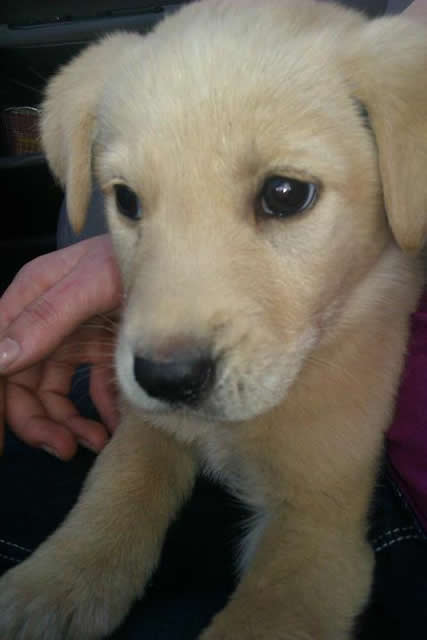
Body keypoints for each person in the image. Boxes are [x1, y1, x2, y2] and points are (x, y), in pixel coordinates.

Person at [1, 1, 426, 638]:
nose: (167, 337)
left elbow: (319, 533)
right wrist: (94, 552)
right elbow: (157, 428)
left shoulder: (396, 94)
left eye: (285, 194)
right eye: (128, 198)